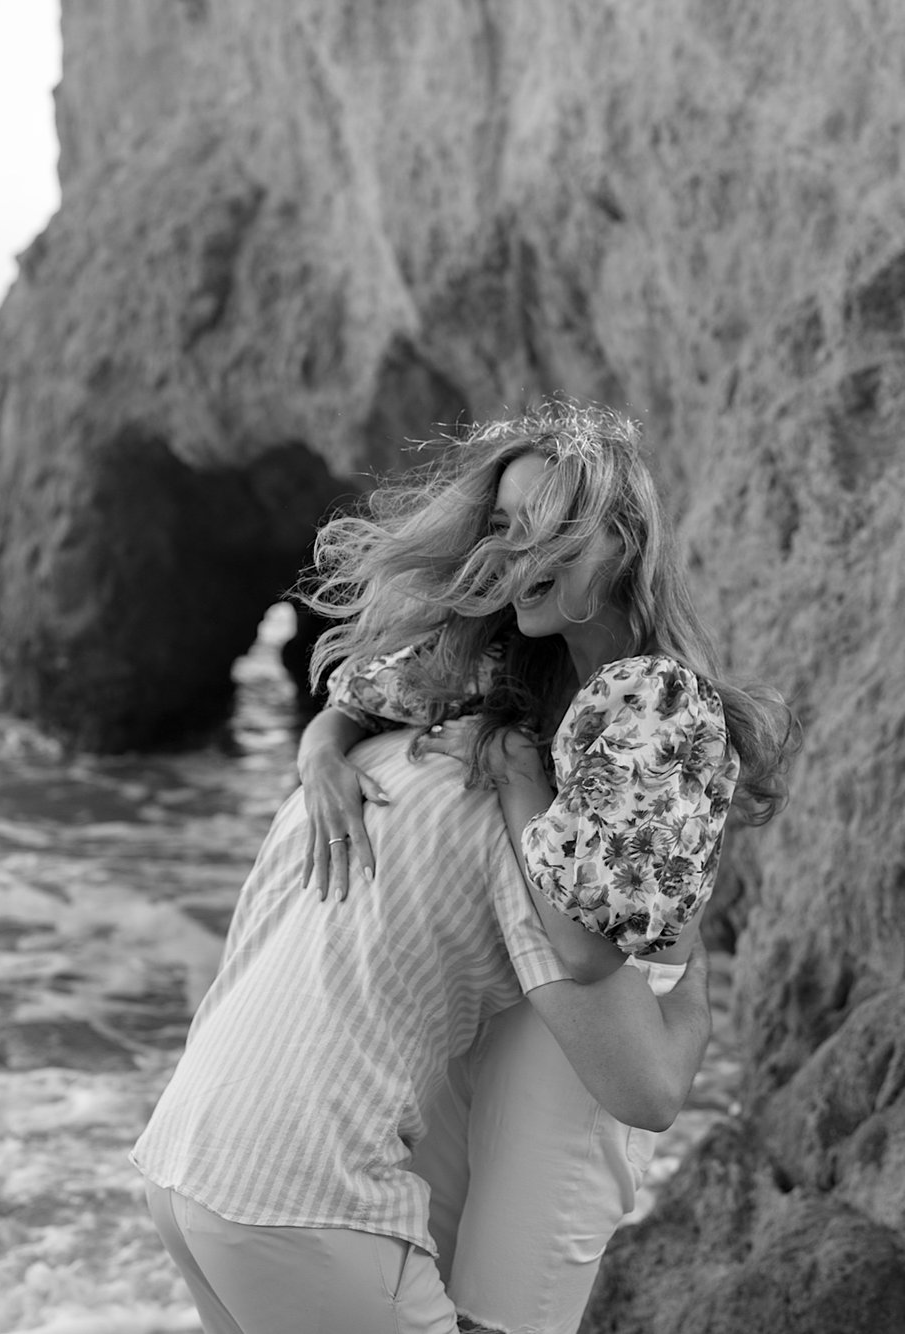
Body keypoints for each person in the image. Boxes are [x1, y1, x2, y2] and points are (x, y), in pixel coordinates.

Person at [132, 400, 790, 1334]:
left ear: (625, 534)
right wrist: (319, 757)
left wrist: (526, 791)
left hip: (206, 1167)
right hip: (303, 1189)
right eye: (504, 528)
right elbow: (353, 703)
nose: (517, 554)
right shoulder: (495, 681)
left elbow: (598, 957)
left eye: (548, 525)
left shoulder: (650, 701)